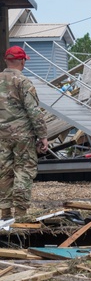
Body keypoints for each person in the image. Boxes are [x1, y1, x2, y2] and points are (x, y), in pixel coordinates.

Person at [0, 47, 47, 219]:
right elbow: (33, 111)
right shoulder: (23, 82)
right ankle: (20, 214)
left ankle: (4, 214)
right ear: (22, 61)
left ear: (6, 60)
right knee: (23, 170)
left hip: (1, 136)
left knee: (3, 172)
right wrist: (42, 136)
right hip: (22, 135)